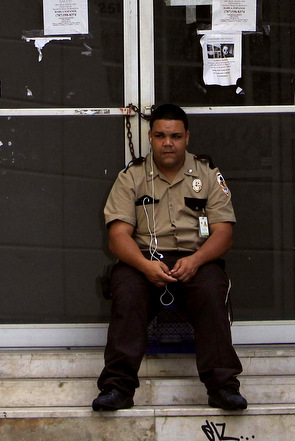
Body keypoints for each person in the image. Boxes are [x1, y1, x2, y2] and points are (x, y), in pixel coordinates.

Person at [92, 103, 246, 412]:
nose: (168, 143)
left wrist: (197, 261)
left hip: (196, 259)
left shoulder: (207, 174)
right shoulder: (132, 177)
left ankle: (222, 387)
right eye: (160, 135)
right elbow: (118, 237)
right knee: (128, 292)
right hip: (144, 259)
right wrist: (144, 266)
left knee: (210, 291)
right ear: (149, 136)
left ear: (187, 137)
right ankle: (117, 388)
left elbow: (223, 233)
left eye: (175, 136)